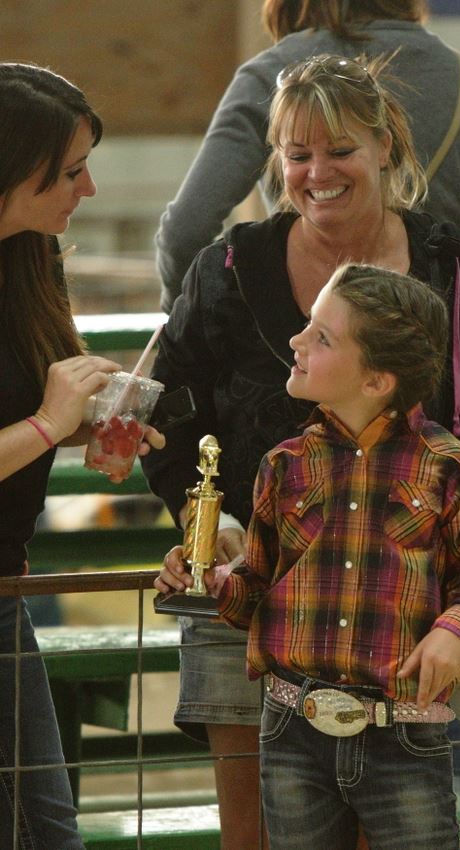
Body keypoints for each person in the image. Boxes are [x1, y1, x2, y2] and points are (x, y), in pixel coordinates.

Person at [144, 53, 460, 850]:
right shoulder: (225, 265)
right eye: (296, 155)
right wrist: (202, 522)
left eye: (339, 150)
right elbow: (172, 414)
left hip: (402, 596)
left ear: (387, 145)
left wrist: (422, 508)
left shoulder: (450, 264)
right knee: (258, 831)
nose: (316, 172)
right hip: (251, 588)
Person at [200, 262, 460, 850]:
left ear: (376, 381)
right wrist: (210, 579)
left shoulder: (446, 466)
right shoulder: (282, 466)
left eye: (321, 336)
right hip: (291, 730)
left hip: (404, 733)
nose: (296, 340)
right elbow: (258, 590)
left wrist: (455, 632)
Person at [0, 63, 165, 849]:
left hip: (5, 582)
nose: (89, 189)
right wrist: (46, 423)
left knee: (47, 826)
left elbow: (38, 408)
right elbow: (31, 418)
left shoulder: (31, 256)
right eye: (69, 172)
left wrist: (97, 421)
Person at [156, 0, 460, 312]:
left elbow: (184, 232)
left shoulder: (271, 75)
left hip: (302, 356)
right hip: (431, 350)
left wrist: (189, 324)